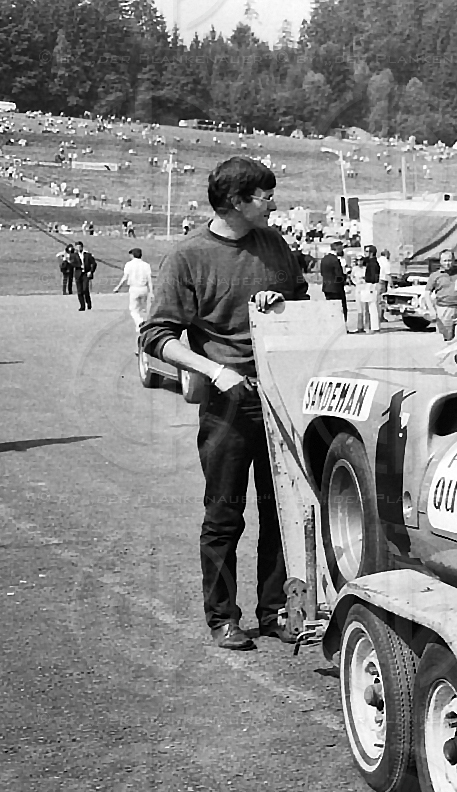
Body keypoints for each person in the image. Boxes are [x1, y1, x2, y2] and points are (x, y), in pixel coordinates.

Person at [138, 156, 310, 650]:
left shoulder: (275, 245)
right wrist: (216, 371)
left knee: (282, 511)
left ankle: (276, 609)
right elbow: (157, 336)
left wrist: (283, 307)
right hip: (226, 403)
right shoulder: (188, 257)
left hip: (281, 397)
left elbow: (301, 303)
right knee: (225, 514)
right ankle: (223, 617)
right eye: (265, 196)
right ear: (237, 201)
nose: (274, 204)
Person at [422, 249, 457, 341]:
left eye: (450, 260)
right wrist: (431, 310)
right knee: (446, 341)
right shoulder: (435, 276)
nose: (448, 263)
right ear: (440, 262)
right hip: (444, 311)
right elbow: (427, 293)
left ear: (453, 261)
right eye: (445, 261)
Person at [111, 247, 153, 327]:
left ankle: (140, 322)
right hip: (144, 288)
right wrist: (151, 292)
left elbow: (125, 277)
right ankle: (142, 325)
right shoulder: (146, 265)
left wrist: (118, 287)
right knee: (143, 309)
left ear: (132, 255)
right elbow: (149, 280)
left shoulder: (129, 264)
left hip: (134, 288)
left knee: (133, 309)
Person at [318, 240, 348, 321]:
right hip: (336, 288)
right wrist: (344, 280)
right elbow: (338, 275)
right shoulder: (335, 260)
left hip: (326, 287)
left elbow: (322, 272)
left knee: (331, 308)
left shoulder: (324, 259)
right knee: (341, 308)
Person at [358, 244, 381, 332]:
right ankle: (370, 326)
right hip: (370, 284)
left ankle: (374, 327)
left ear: (371, 253)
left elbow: (374, 276)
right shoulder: (370, 262)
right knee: (369, 307)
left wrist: (369, 283)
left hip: (371, 285)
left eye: (367, 251)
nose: (365, 253)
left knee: (372, 307)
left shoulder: (373, 263)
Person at [71, 240, 96, 311]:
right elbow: (72, 263)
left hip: (86, 274)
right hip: (78, 274)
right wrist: (79, 266)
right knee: (79, 291)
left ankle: (88, 302)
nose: (78, 248)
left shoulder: (87, 255)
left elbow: (94, 263)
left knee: (85, 289)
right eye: (77, 247)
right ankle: (82, 305)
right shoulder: (74, 255)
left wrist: (91, 271)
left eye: (80, 247)